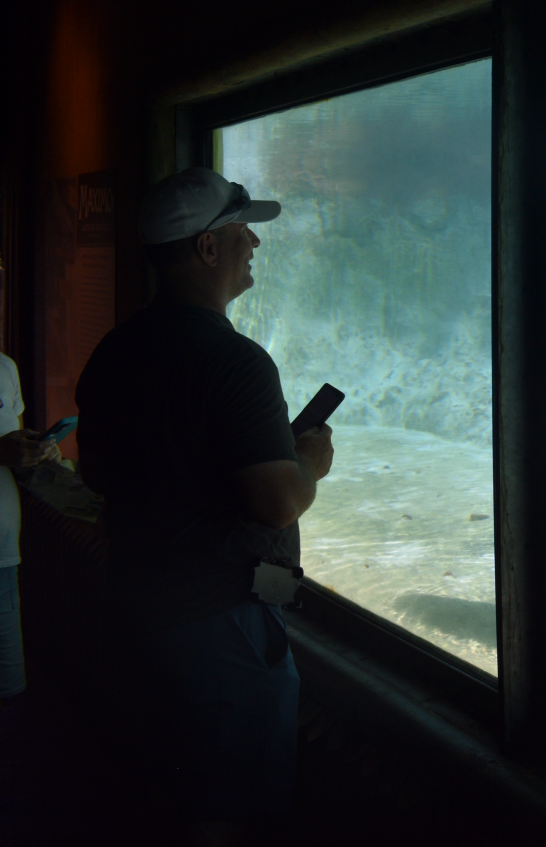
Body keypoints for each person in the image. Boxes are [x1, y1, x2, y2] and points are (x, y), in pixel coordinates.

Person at [76, 168, 334, 846]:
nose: (255, 241)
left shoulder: (114, 350)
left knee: (162, 790)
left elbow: (97, 471)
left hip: (136, 605)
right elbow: (277, 502)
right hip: (221, 627)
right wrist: (310, 460)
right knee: (220, 809)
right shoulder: (236, 362)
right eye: (241, 230)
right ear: (207, 249)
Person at [0, 351, 62, 704]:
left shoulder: (5, 368)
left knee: (9, 692)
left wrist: (39, 456)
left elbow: (15, 460)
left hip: (3, 557)